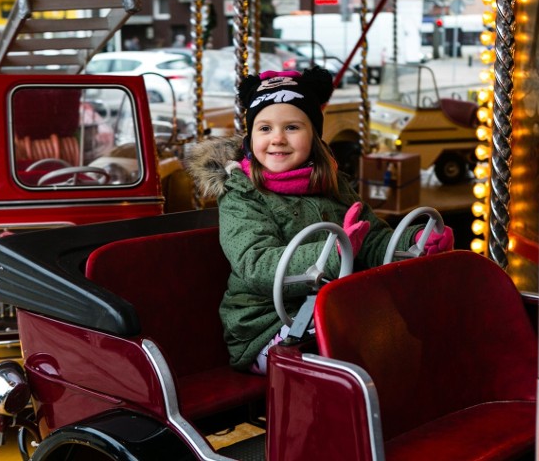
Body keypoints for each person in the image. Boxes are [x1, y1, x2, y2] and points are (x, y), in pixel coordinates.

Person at [187, 67, 454, 374]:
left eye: (291, 127)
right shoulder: (242, 195)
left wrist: (413, 242)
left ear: (313, 134)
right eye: (264, 129)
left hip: (329, 308)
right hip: (267, 326)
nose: (277, 139)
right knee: (360, 341)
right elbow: (256, 264)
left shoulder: (332, 184)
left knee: (410, 320)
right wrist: (333, 254)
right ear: (251, 136)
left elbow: (371, 238)